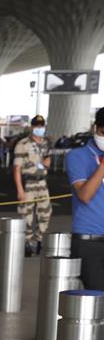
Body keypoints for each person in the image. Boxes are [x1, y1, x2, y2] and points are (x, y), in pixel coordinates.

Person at [67, 107, 104, 289]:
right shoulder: (77, 156)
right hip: (90, 240)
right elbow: (85, 195)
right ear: (95, 128)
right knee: (97, 298)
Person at [13, 114, 52, 255]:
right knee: (26, 215)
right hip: (28, 183)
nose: (39, 128)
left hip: (42, 182)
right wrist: (20, 190)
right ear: (32, 127)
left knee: (45, 213)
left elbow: (47, 161)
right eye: (36, 126)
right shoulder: (22, 144)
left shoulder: (46, 143)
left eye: (41, 126)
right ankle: (27, 243)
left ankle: (40, 241)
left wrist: (47, 164)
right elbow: (17, 168)